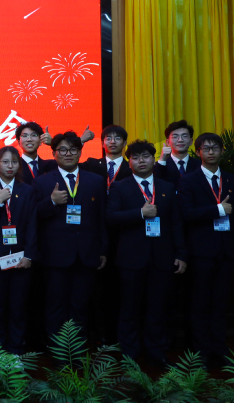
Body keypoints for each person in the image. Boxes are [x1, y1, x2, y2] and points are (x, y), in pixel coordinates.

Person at [107, 140, 186, 368]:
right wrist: (139, 213)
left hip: (162, 258)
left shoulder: (167, 186)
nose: (141, 161)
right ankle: (129, 357)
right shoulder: (119, 187)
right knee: (129, 310)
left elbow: (176, 223)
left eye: (145, 156)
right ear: (129, 161)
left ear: (154, 159)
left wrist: (181, 253)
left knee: (158, 309)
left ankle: (157, 354)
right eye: (136, 157)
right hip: (131, 260)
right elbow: (110, 218)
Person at [33, 131, 107, 343]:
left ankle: (77, 350)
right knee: (55, 306)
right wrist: (52, 202)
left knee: (80, 306)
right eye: (63, 150)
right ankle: (58, 351)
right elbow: (33, 216)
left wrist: (103, 249)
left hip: (86, 254)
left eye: (73, 150)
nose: (68, 154)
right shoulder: (42, 182)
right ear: (54, 154)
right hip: (54, 256)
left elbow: (101, 217)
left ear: (80, 152)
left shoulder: (95, 181)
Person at [177, 132, 234, 368]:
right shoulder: (188, 180)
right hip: (201, 252)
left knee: (221, 303)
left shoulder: (230, 179)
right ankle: (200, 352)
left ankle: (219, 349)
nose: (211, 152)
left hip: (227, 252)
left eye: (215, 148)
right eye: (206, 148)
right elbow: (186, 213)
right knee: (199, 303)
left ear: (222, 151)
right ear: (198, 152)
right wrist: (218, 209)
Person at [0, 146, 37, 355]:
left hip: (20, 258)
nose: (10, 166)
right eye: (5, 162)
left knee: (17, 308)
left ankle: (16, 351)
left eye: (14, 162)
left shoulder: (27, 190)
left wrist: (29, 255)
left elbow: (32, 225)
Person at [80, 125, 131, 190]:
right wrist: (81, 141)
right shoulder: (92, 164)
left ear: (124, 143)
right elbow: (70, 166)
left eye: (117, 138)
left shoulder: (131, 168)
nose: (112, 142)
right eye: (108, 138)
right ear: (102, 144)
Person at [156, 120, 201, 186]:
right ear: (168, 142)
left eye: (184, 136)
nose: (180, 140)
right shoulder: (161, 165)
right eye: (175, 136)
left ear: (191, 141)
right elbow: (155, 184)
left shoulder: (200, 165)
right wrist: (162, 160)